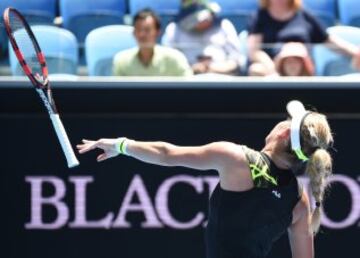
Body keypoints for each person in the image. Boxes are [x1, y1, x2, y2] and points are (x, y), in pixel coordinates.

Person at [77, 100, 334, 258]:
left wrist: (122, 145)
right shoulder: (299, 201)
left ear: (284, 133)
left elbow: (167, 154)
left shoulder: (236, 158)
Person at [248, 0, 360, 76]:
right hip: (274, 72)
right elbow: (254, 51)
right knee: (256, 70)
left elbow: (328, 40)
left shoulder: (303, 15)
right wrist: (273, 69)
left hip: (303, 71)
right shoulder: (259, 17)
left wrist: (355, 51)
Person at [162, 0, 245, 75]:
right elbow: (168, 63)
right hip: (186, 82)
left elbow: (237, 60)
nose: (203, 21)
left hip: (223, 81)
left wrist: (214, 68)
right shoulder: (173, 29)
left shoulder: (225, 26)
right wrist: (190, 69)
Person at [113, 9, 193, 76]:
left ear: (158, 32)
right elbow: (116, 93)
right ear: (133, 33)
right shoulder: (121, 61)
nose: (142, 34)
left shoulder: (175, 59)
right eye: (138, 29)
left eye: (147, 30)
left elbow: (189, 90)